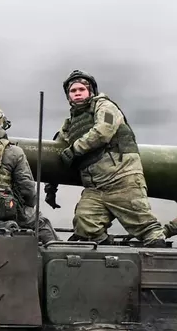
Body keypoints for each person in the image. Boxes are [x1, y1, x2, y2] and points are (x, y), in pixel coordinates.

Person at [48, 70, 167, 246]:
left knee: (148, 230)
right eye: (73, 91)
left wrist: (75, 149)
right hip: (96, 188)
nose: (77, 93)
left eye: (81, 89)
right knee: (85, 227)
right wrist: (51, 188)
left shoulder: (106, 108)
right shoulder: (70, 124)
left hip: (121, 180)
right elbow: (56, 153)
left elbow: (104, 130)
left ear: (91, 91)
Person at [0, 104, 55, 243]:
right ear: (0, 123)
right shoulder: (13, 151)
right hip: (3, 211)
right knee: (42, 223)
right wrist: (28, 205)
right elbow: (28, 190)